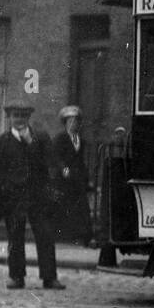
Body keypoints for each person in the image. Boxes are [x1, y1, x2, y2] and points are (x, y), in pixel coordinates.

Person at [0, 104, 64, 290]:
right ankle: (16, 276)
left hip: (38, 197)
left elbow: (50, 164)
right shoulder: (0, 143)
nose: (19, 119)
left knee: (45, 235)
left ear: (29, 117)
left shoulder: (41, 139)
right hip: (14, 198)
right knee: (15, 237)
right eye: (16, 116)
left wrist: (31, 143)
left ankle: (49, 277)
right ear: (9, 118)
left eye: (23, 115)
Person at [52, 104, 92, 246]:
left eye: (75, 121)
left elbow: (81, 160)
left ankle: (79, 236)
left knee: (79, 206)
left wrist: (85, 176)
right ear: (65, 123)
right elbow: (56, 156)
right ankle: (61, 236)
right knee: (62, 204)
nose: (73, 124)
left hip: (77, 177)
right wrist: (63, 168)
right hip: (63, 177)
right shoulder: (60, 138)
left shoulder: (80, 140)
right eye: (70, 121)